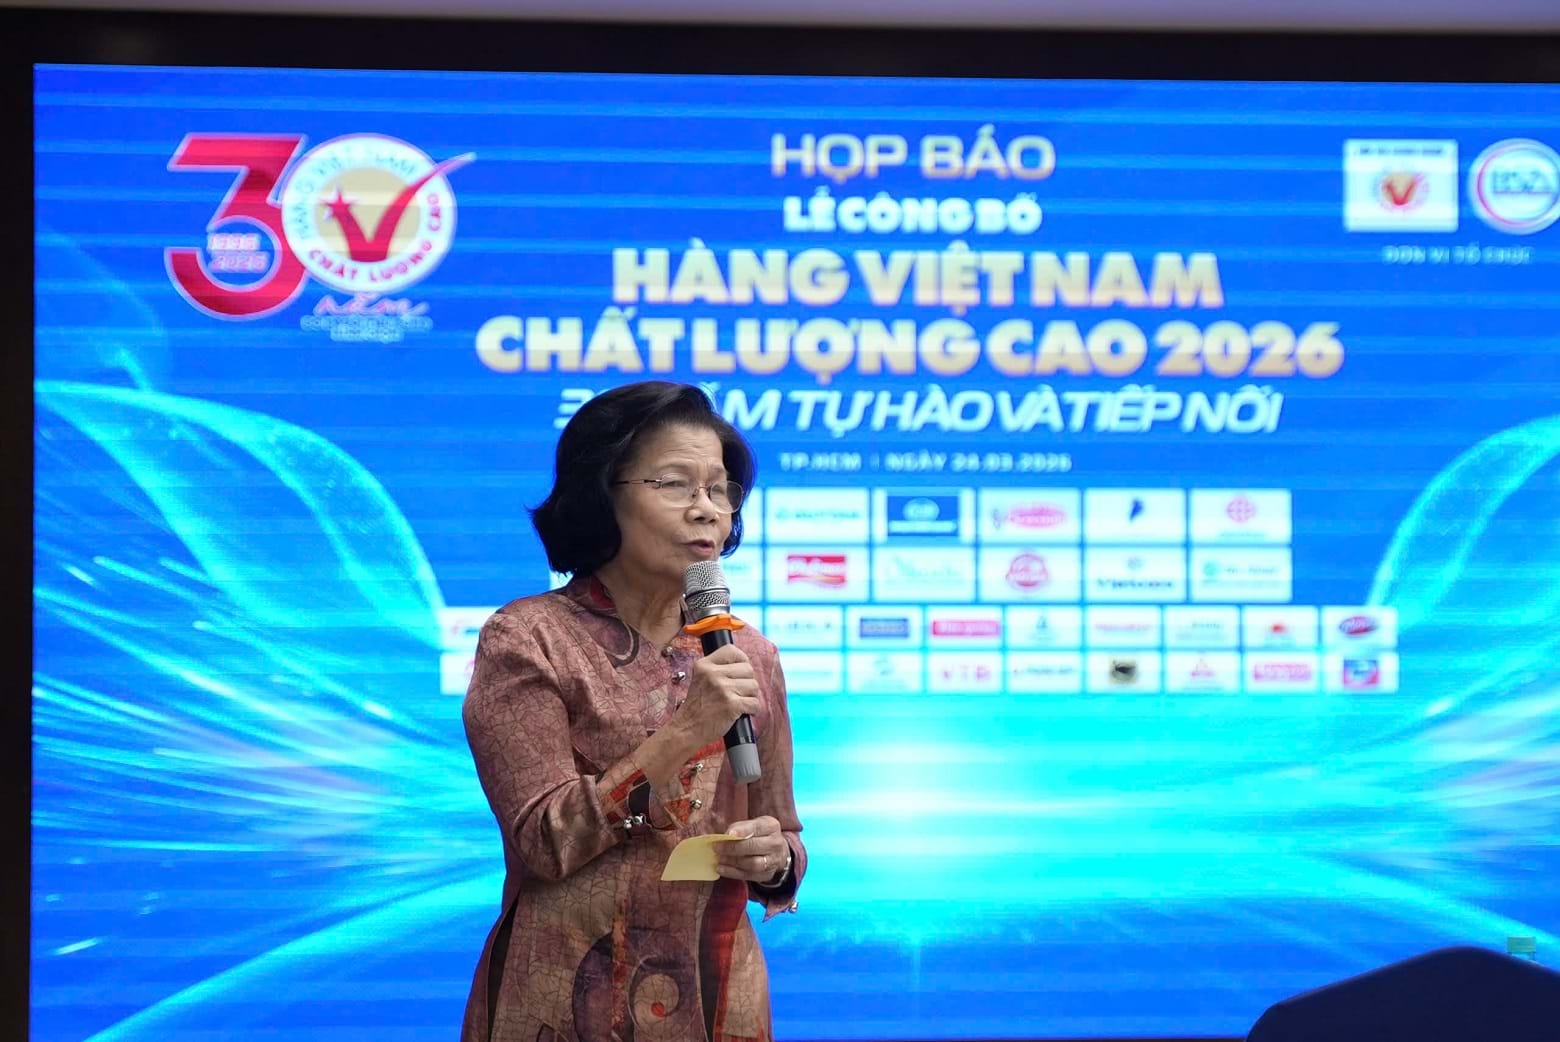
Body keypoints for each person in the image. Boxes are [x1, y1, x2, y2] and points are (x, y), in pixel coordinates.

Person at [461, 381, 805, 1042]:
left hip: (718, 1000)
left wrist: (774, 860)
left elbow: (783, 831)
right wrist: (685, 730)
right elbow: (545, 841)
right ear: (602, 493)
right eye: (675, 484)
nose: (706, 510)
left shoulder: (750, 654)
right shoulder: (527, 639)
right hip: (561, 1002)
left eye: (721, 490)